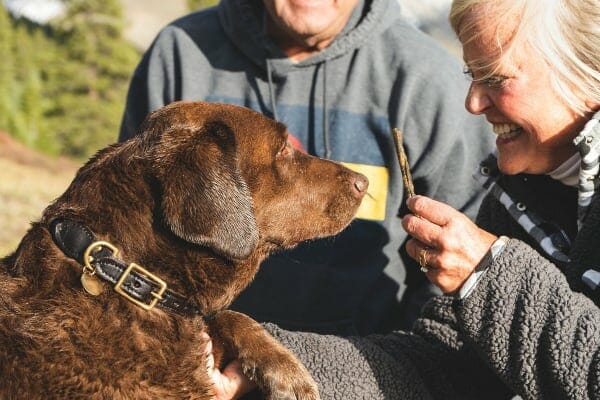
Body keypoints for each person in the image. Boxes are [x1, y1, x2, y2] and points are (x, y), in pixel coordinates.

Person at [211, 0, 600, 398]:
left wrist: (488, 274)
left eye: (496, 79)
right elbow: (445, 369)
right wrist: (261, 363)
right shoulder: (518, 192)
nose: (473, 103)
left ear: (586, 75)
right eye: (472, 75)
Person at [119, 0, 494, 335]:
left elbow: (458, 272)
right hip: (202, 363)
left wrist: (403, 376)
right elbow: (129, 230)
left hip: (367, 371)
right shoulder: (183, 55)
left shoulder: (427, 80)